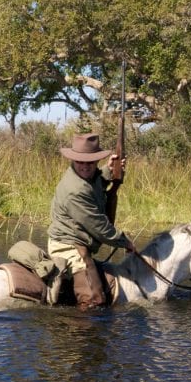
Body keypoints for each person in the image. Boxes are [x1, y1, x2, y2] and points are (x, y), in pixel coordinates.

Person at [47, 132, 134, 309]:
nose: (85, 166)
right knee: (94, 301)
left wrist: (110, 170)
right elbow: (100, 228)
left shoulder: (84, 176)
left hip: (78, 242)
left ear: (96, 161)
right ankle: (79, 334)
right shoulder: (75, 190)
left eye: (90, 162)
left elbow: (94, 184)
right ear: (73, 160)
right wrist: (125, 242)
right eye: (81, 161)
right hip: (69, 246)